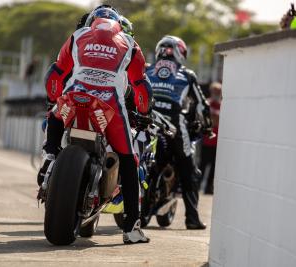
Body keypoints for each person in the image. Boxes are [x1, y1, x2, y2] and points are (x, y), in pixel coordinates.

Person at [37, 5, 152, 244]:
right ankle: (131, 228)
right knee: (130, 160)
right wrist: (144, 110)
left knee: (55, 114)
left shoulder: (77, 36)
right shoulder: (130, 44)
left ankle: (49, 155)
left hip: (73, 97)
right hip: (109, 105)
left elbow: (56, 72)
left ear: (91, 22)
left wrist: (53, 97)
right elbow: (141, 85)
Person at [146, 35, 212, 230]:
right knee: (190, 171)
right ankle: (192, 219)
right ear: (180, 53)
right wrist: (207, 126)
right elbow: (202, 106)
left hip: (146, 121)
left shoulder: (147, 69)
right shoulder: (186, 74)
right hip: (174, 125)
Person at [200, 82, 221, 195]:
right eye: (215, 91)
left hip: (217, 143)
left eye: (218, 91)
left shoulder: (221, 104)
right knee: (202, 165)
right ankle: (197, 187)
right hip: (206, 141)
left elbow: (216, 120)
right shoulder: (207, 103)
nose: (216, 93)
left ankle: (209, 188)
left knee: (214, 168)